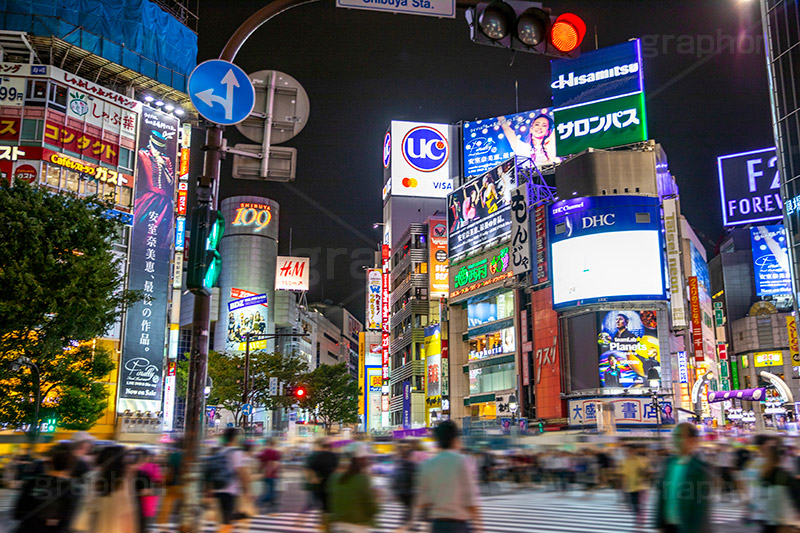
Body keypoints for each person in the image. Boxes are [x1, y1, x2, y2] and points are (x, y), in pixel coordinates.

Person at [410, 420, 481, 533]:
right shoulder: (465, 462)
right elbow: (471, 500)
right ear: (455, 440)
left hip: (437, 526)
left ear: (437, 442)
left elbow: (422, 501)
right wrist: (479, 528)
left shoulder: (426, 465)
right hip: (459, 526)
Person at [655, 423, 711, 533]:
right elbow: (662, 496)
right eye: (675, 436)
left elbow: (701, 506)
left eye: (680, 436)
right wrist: (659, 523)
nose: (676, 440)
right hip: (668, 526)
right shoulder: (669, 463)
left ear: (692, 440)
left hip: (688, 527)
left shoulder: (700, 468)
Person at [13, 443, 79, 533]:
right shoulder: (72, 489)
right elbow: (67, 524)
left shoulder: (33, 483)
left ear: (49, 462)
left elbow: (17, 514)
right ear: (71, 464)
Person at [75, 445, 138, 533]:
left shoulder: (91, 477)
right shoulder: (123, 483)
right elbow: (127, 516)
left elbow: (85, 507)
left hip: (92, 528)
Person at [206, 427, 250, 533]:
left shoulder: (220, 451)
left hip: (218, 487)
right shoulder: (236, 452)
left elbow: (211, 470)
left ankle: (226, 526)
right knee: (228, 518)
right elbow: (241, 472)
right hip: (230, 489)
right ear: (234, 438)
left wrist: (208, 489)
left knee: (225, 517)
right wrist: (246, 490)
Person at [327, 443, 379, 532]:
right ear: (362, 460)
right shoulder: (362, 479)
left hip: (337, 527)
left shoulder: (333, 478)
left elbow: (330, 505)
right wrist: (377, 498)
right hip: (356, 528)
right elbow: (373, 509)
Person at [752, 440, 796, 531]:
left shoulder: (762, 474)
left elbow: (759, 496)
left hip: (766, 517)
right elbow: (795, 496)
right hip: (780, 518)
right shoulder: (784, 475)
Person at [305, 439, 340, 517]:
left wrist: (314, 479)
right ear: (330, 447)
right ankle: (328, 521)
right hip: (331, 483)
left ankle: (324, 521)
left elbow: (311, 468)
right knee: (329, 505)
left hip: (321, 484)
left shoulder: (318, 456)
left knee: (322, 505)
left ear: (322, 447)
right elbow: (336, 469)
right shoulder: (333, 456)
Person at [132, 448, 163, 533]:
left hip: (131, 504)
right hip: (145, 502)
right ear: (147, 457)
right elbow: (158, 484)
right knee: (142, 525)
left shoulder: (130, 468)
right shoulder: (154, 467)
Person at [157, 439, 184, 526]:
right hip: (184, 485)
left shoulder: (173, 456)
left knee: (166, 508)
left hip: (172, 484)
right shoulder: (189, 455)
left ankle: (162, 525)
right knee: (185, 508)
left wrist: (166, 481)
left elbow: (169, 470)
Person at [620, 446, 649, 518]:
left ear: (634, 451)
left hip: (639, 485)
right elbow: (625, 474)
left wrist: (643, 477)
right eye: (628, 451)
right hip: (631, 485)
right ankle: (638, 514)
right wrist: (623, 485)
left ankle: (639, 514)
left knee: (637, 501)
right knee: (633, 502)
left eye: (631, 451)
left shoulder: (640, 460)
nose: (629, 453)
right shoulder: (626, 461)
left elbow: (644, 471)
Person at [392, 442, 417, 521]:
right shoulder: (412, 465)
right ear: (410, 456)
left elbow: (395, 477)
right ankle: (408, 522)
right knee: (410, 507)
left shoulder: (399, 464)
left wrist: (395, 490)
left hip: (401, 491)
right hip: (409, 491)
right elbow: (416, 478)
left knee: (408, 507)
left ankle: (405, 520)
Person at [258, 438, 281, 514]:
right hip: (273, 475)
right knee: (272, 491)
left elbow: (261, 463)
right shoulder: (276, 453)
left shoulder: (265, 452)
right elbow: (277, 464)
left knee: (268, 490)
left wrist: (260, 471)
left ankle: (269, 504)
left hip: (266, 474)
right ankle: (261, 502)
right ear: (274, 444)